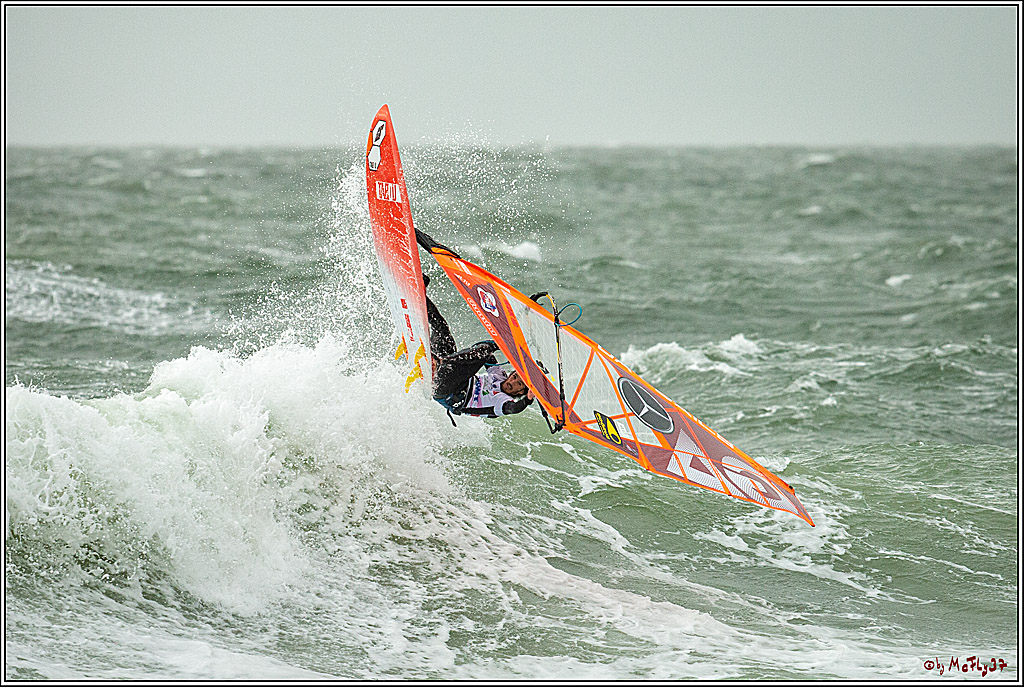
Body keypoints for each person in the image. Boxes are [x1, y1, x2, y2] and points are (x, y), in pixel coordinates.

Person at [421, 272, 534, 422]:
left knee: (485, 351)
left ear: (520, 392)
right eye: (514, 377)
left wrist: (528, 400)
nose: (512, 382)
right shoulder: (499, 375)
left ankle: (441, 361)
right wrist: (507, 348)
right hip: (451, 373)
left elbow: (513, 409)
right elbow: (479, 350)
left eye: (518, 384)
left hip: (449, 392)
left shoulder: (502, 400)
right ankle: (421, 295)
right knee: (442, 329)